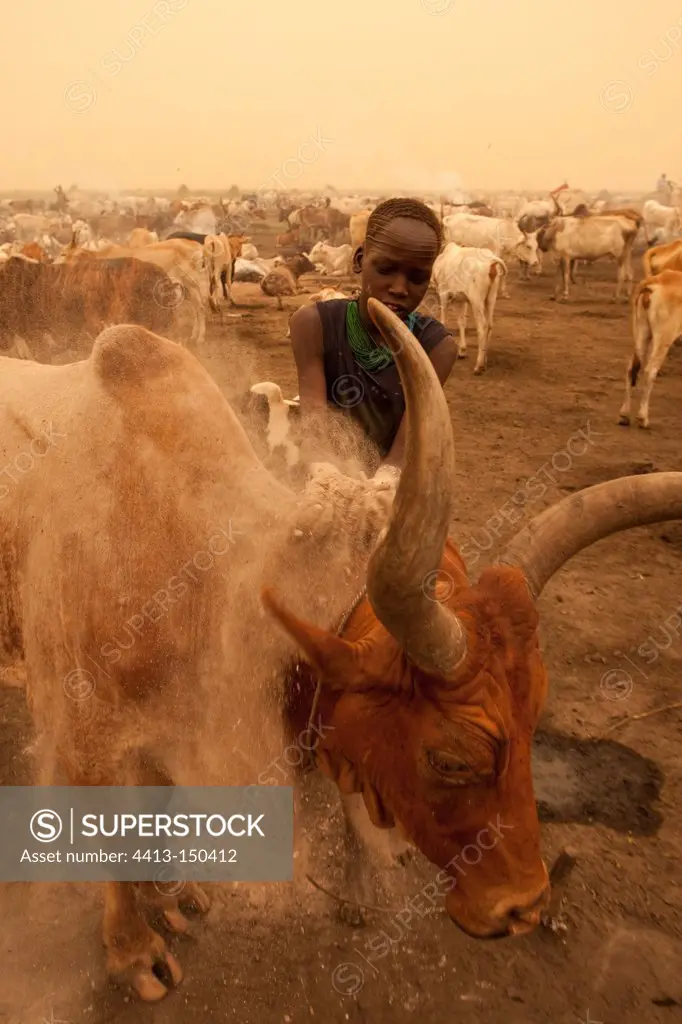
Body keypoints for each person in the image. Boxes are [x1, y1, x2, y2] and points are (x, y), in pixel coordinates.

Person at [288, 198, 457, 484]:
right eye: (386, 269)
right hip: (323, 475)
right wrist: (326, 475)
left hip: (394, 485)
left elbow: (410, 435)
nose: (400, 288)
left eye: (418, 278)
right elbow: (315, 421)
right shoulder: (312, 324)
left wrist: (385, 483)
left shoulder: (436, 347)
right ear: (358, 260)